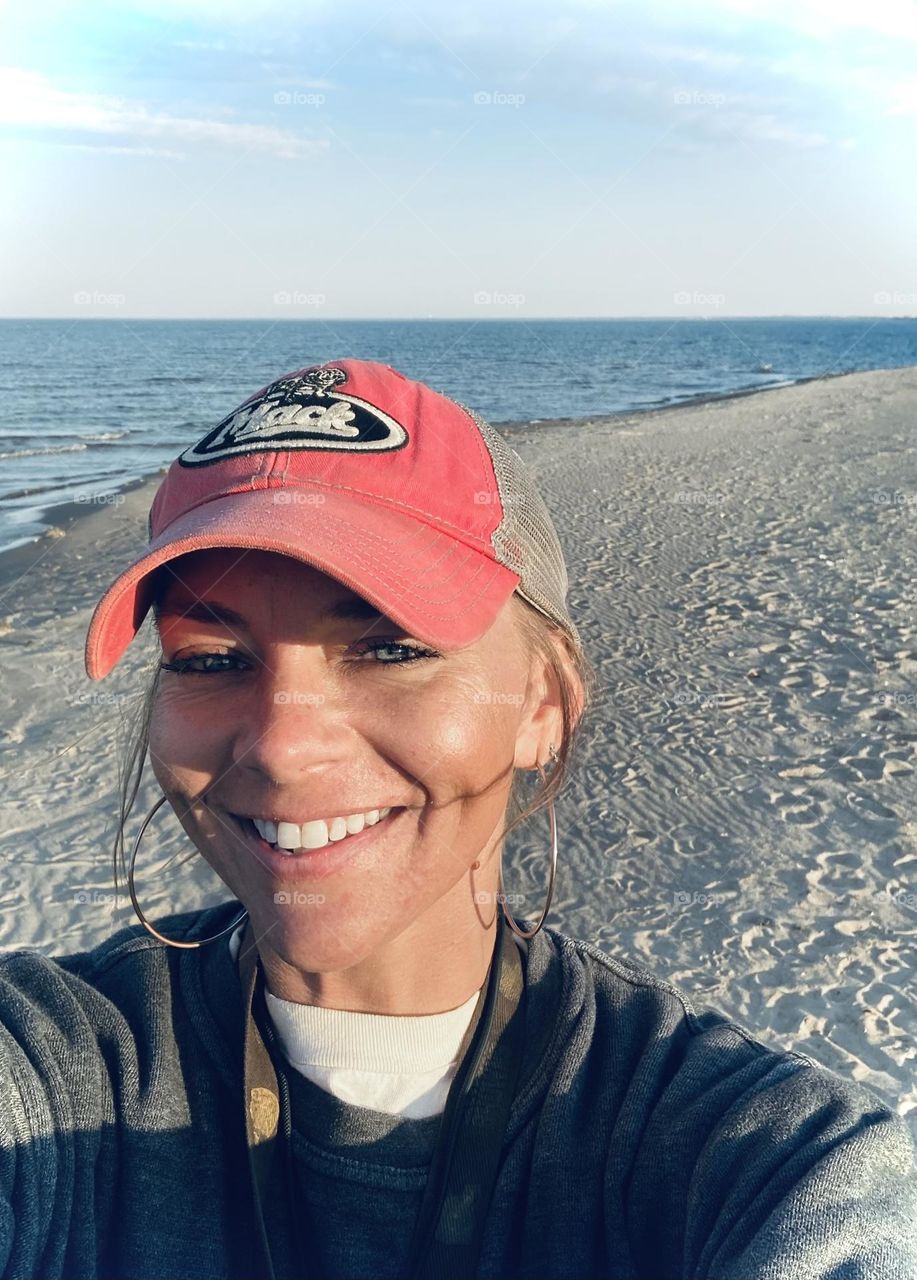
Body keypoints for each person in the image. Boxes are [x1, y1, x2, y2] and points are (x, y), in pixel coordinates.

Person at [0, 357, 914, 1280]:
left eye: (389, 648)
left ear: (544, 704)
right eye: (208, 658)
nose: (281, 747)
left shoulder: (736, 1152)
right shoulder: (60, 1056)